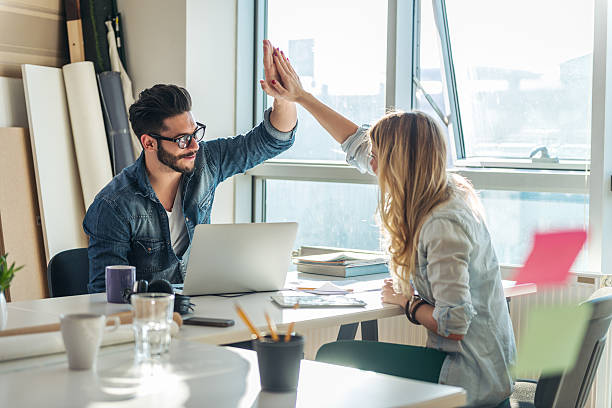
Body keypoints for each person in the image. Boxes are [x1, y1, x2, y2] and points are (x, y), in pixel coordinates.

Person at [262, 48, 516, 407]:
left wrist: (407, 303)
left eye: (377, 154)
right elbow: (355, 143)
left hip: (467, 377)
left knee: (337, 357)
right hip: (480, 368)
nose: (371, 160)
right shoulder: (443, 191)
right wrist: (300, 97)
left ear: (397, 163)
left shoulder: (444, 223)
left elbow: (455, 324)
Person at [84, 40, 297, 293]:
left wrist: (283, 99)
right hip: (152, 321)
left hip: (203, 307)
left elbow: (273, 140)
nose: (194, 146)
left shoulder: (206, 162)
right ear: (149, 143)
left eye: (195, 133)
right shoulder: (113, 206)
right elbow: (106, 296)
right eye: (182, 140)